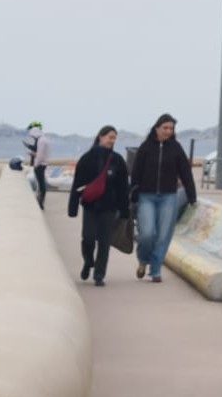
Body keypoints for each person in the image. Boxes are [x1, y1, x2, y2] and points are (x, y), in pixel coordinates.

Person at [130, 112, 197, 282]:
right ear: (157, 128)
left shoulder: (176, 148)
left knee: (163, 236)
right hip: (147, 197)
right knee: (146, 234)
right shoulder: (146, 147)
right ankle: (143, 260)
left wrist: (192, 196)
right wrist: (133, 193)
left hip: (168, 197)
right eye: (165, 128)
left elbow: (186, 172)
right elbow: (136, 172)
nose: (168, 131)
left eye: (171, 129)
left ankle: (155, 269)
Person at [67, 126, 130, 285]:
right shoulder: (87, 159)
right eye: (110, 137)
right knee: (88, 238)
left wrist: (125, 210)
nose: (112, 141)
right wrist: (73, 207)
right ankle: (88, 261)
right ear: (101, 137)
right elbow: (77, 184)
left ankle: (99, 275)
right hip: (90, 205)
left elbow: (123, 187)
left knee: (104, 241)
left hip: (110, 207)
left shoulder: (117, 160)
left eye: (114, 138)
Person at [23, 119, 51, 208]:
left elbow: (40, 155)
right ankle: (40, 200)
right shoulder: (43, 139)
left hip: (40, 165)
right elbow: (41, 153)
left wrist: (36, 164)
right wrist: (34, 154)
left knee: (41, 183)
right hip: (43, 164)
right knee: (40, 183)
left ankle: (40, 202)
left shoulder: (41, 141)